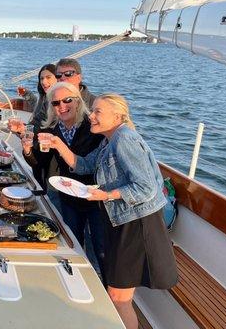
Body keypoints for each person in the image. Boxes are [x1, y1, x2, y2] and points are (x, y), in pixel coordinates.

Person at [44, 93, 178, 329]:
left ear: (118, 116)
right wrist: (57, 144)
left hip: (137, 225)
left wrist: (106, 195)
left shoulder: (124, 139)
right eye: (92, 110)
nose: (91, 116)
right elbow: (83, 164)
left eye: (97, 112)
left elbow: (146, 188)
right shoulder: (108, 141)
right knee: (118, 295)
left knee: (118, 297)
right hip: (122, 222)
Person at [22, 82, 105, 277]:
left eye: (67, 100)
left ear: (78, 101)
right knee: (72, 240)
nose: (62, 106)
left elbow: (95, 162)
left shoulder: (91, 126)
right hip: (69, 196)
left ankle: (100, 282)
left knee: (99, 247)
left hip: (95, 197)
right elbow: (39, 161)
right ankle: (76, 277)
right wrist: (27, 149)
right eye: (56, 103)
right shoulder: (52, 130)